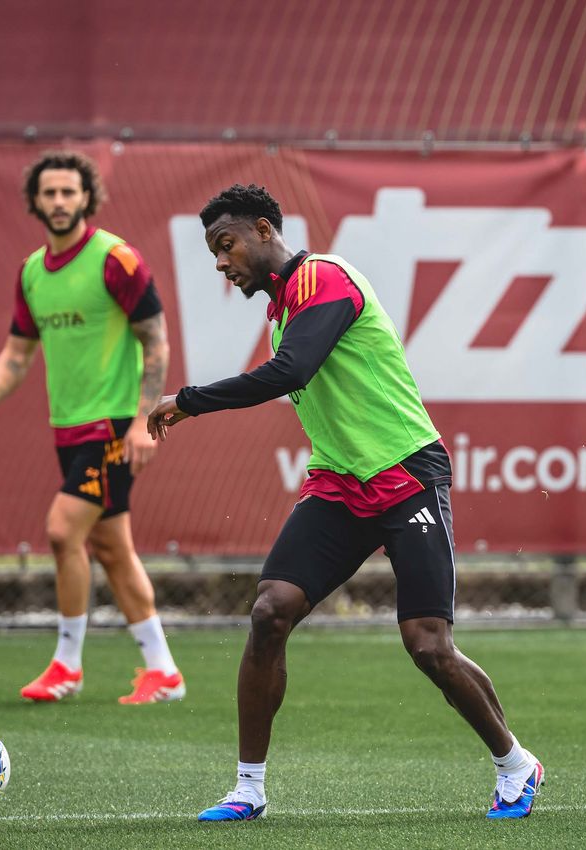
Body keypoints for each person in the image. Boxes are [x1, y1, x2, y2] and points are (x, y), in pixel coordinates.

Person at [147, 183, 542, 821]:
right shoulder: (282, 306)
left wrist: (188, 400)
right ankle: (248, 789)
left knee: (428, 644)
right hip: (338, 482)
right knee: (270, 611)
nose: (221, 262)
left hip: (407, 473)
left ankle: (516, 764)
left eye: (227, 245)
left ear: (264, 230)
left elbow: (290, 372)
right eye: (213, 252)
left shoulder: (324, 278)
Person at [0, 151, 184, 705]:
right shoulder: (32, 272)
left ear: (87, 197)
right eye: (50, 193)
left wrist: (142, 421)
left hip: (112, 424)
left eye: (69, 191)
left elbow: (156, 341)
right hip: (67, 427)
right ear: (35, 202)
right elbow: (18, 352)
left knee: (64, 531)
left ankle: (67, 664)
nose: (59, 201)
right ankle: (163, 671)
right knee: (111, 546)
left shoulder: (116, 259)